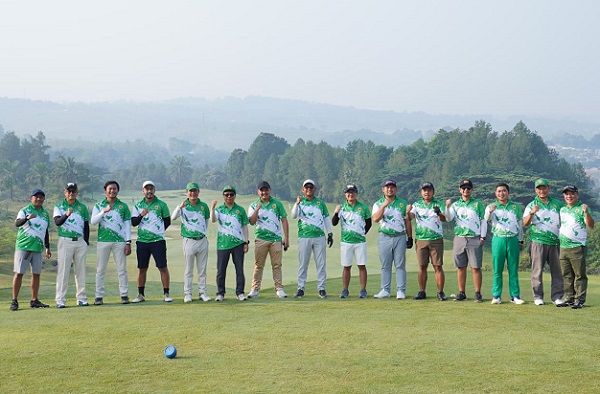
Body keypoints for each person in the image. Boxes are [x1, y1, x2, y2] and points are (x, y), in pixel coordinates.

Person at [523, 178, 566, 306]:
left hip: (555, 242)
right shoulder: (531, 205)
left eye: (544, 188)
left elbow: (564, 220)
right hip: (538, 241)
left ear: (548, 188)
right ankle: (538, 296)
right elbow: (525, 223)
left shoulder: (557, 204)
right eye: (539, 188)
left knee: (557, 271)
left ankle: (557, 297)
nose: (542, 190)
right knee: (537, 270)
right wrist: (531, 213)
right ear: (536, 190)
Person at [444, 179, 487, 303]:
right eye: (463, 188)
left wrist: (482, 237)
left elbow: (483, 221)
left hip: (474, 237)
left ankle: (478, 293)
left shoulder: (477, 204)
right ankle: (461, 292)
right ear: (460, 190)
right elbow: (448, 218)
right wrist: (447, 207)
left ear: (472, 190)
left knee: (475, 267)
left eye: (468, 188)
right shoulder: (455, 205)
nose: (466, 190)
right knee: (461, 267)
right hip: (459, 238)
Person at [91, 180, 132, 305]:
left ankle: (124, 295)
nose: (112, 191)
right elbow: (93, 221)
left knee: (121, 269)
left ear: (118, 191)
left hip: (119, 241)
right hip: (103, 241)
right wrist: (104, 211)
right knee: (101, 270)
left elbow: (127, 225)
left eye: (114, 189)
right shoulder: (99, 205)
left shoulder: (123, 206)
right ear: (105, 191)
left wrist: (128, 242)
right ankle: (99, 296)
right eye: (110, 189)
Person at [10, 189, 52, 311]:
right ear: (31, 198)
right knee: (19, 273)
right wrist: (27, 218)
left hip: (37, 248)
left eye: (41, 197)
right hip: (24, 247)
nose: (39, 199)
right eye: (36, 197)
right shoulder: (24, 210)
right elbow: (17, 223)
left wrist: (47, 247)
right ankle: (14, 301)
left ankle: (34, 300)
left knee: (36, 274)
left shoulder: (45, 214)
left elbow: (46, 231)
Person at [291, 179, 333, 299]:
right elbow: (293, 215)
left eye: (311, 187)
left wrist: (329, 233)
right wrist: (297, 203)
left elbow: (326, 218)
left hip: (319, 237)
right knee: (303, 263)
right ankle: (300, 288)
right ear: (303, 190)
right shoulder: (300, 202)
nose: (309, 189)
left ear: (315, 189)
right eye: (306, 187)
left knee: (321, 263)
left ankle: (321, 288)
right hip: (304, 236)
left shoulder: (320, 203)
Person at [131, 181, 172, 303]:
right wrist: (141, 215)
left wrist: (157, 231)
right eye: (146, 189)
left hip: (158, 241)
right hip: (142, 241)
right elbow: (133, 223)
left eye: (151, 189)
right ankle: (141, 295)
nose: (149, 191)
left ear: (154, 190)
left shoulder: (161, 205)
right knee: (142, 268)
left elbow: (167, 221)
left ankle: (166, 293)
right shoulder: (138, 205)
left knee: (162, 267)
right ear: (143, 191)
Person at [247, 181, 290, 299]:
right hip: (261, 239)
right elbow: (251, 222)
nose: (264, 192)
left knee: (277, 265)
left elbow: (284, 220)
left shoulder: (277, 204)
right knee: (258, 265)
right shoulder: (253, 205)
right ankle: (255, 289)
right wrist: (257, 209)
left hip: (276, 239)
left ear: (270, 190)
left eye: (266, 190)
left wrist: (286, 238)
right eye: (262, 190)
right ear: (258, 192)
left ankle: (279, 289)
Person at [372, 180, 413, 299]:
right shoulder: (378, 203)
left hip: (400, 236)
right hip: (384, 236)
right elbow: (375, 219)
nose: (390, 189)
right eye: (387, 187)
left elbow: (407, 221)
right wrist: (384, 206)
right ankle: (385, 289)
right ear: (383, 189)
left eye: (392, 187)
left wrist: (409, 237)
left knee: (400, 265)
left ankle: (401, 290)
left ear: (396, 189)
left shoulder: (402, 203)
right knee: (385, 265)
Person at [484, 182, 525, 305]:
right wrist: (490, 212)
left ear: (508, 192)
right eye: (499, 191)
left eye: (504, 191)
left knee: (513, 269)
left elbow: (520, 225)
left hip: (512, 239)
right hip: (498, 239)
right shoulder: (491, 206)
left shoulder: (515, 207)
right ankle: (496, 295)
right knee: (498, 269)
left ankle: (515, 296)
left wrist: (521, 240)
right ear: (495, 193)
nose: (501, 193)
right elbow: (486, 219)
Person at [171, 182, 212, 303]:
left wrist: (202, 233)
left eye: (195, 191)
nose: (193, 193)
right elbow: (173, 218)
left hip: (202, 240)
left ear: (198, 192)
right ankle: (187, 294)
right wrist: (180, 207)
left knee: (202, 269)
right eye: (190, 191)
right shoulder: (183, 205)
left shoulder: (203, 206)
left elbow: (206, 221)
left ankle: (202, 293)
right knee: (189, 270)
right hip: (189, 240)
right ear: (186, 192)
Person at [408, 182, 447, 301]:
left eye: (429, 190)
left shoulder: (439, 204)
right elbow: (410, 217)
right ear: (421, 192)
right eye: (424, 190)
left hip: (436, 239)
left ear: (433, 192)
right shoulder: (417, 204)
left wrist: (439, 212)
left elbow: (445, 219)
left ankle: (440, 292)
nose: (427, 192)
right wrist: (407, 211)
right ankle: (422, 291)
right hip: (421, 239)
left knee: (438, 266)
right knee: (422, 266)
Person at [54, 182, 90, 308]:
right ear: (65, 192)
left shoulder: (82, 207)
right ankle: (60, 300)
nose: (71, 193)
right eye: (68, 191)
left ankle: (81, 298)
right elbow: (57, 222)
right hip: (65, 241)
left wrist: (86, 242)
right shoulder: (59, 206)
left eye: (73, 191)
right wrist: (67, 214)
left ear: (77, 193)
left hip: (80, 241)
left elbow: (86, 226)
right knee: (63, 271)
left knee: (80, 271)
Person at [210, 185, 250, 301]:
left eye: (231, 194)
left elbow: (244, 227)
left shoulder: (240, 210)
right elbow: (213, 220)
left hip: (238, 243)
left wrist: (246, 242)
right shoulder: (220, 209)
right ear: (223, 196)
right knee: (221, 270)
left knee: (239, 269)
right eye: (226, 195)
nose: (229, 197)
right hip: (223, 244)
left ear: (235, 196)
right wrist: (212, 207)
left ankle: (240, 292)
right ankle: (220, 293)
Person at [332, 184, 372, 299]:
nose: (351, 194)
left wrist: (362, 233)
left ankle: (363, 290)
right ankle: (345, 290)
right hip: (346, 241)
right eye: (348, 192)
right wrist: (336, 212)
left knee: (361, 265)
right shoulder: (342, 207)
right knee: (346, 266)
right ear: (345, 194)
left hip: (360, 242)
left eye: (353, 192)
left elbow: (368, 223)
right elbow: (334, 222)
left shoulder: (363, 207)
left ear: (356, 193)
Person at [559, 185, 594, 309]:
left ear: (577, 195)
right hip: (563, 247)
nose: (569, 196)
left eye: (571, 193)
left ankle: (579, 300)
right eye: (566, 194)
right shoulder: (562, 209)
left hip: (577, 247)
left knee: (579, 275)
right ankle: (569, 298)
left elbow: (591, 225)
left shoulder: (582, 208)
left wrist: (586, 213)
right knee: (567, 275)